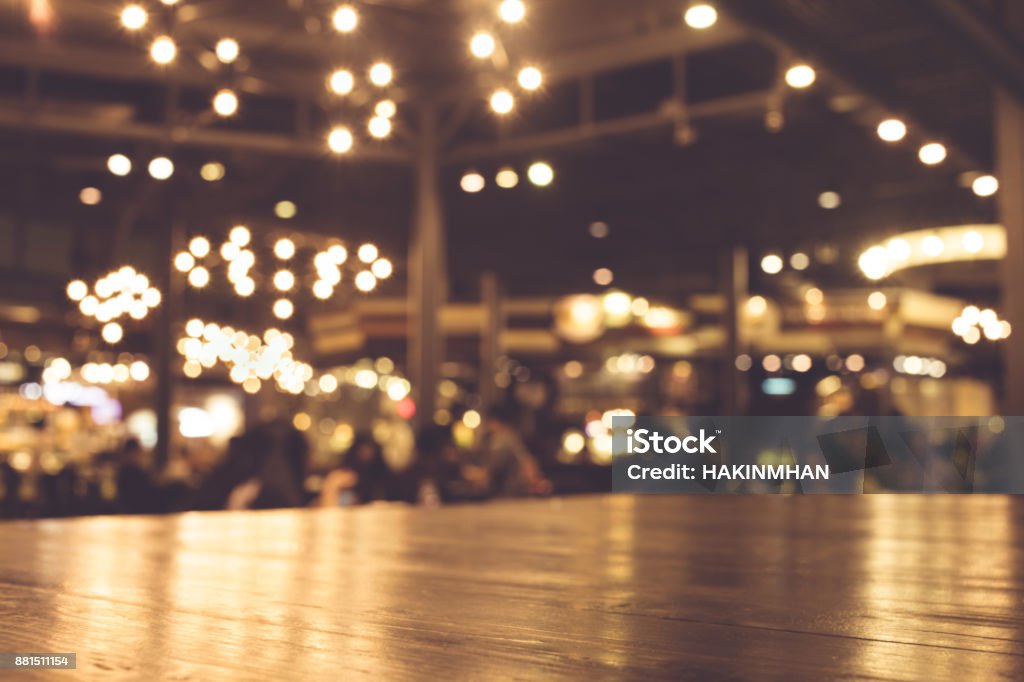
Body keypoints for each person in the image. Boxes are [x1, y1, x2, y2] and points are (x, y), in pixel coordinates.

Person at [319, 434, 394, 506]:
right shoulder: (341, 475)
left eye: (369, 450)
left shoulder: (381, 475)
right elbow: (328, 506)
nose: (366, 454)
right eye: (362, 451)